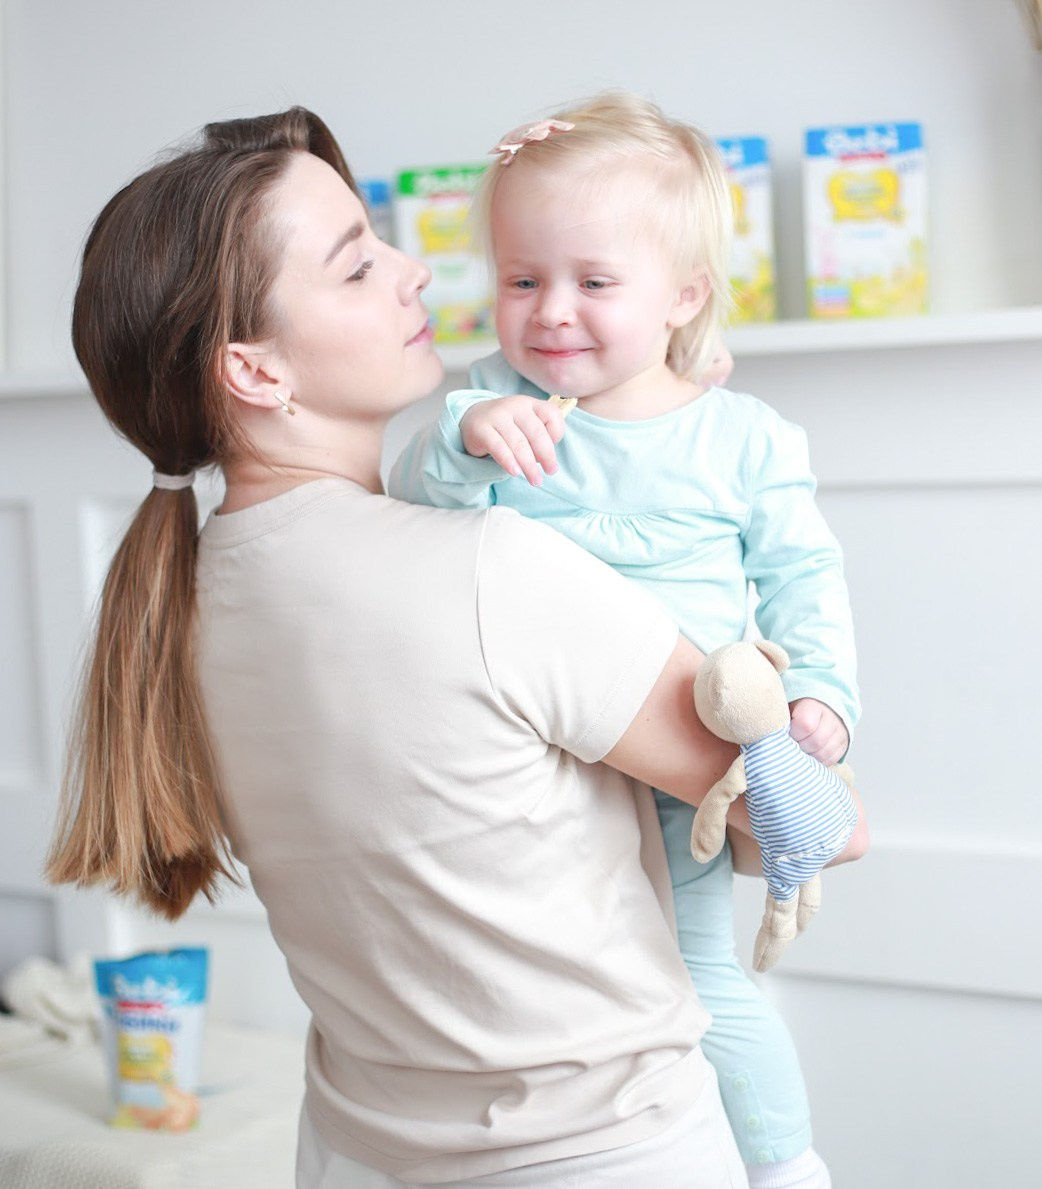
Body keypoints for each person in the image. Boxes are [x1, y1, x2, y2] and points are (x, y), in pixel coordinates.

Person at [44, 106, 867, 1188]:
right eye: (356, 266)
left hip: (357, 1144)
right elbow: (824, 828)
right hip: (599, 1152)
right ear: (253, 371)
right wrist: (792, 699)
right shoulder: (489, 570)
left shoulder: (185, 606)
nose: (417, 272)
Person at [390, 91, 861, 1189]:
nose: (551, 310)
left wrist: (823, 694)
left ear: (680, 296)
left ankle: (788, 1167)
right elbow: (409, 500)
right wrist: (462, 435)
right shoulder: (497, 411)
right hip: (527, 771)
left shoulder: (740, 437)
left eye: (594, 282)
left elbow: (804, 575)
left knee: (698, 981)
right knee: (537, 980)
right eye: (520, 279)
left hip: (676, 763)